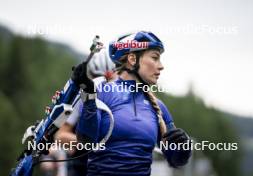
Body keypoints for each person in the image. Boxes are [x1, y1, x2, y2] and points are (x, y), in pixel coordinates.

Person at [72, 31, 191, 176]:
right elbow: (86, 142)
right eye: (155, 58)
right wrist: (89, 99)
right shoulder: (101, 92)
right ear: (133, 59)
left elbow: (176, 161)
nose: (161, 66)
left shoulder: (158, 107)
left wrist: (183, 147)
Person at [53, 49, 116, 176]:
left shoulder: (120, 97)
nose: (100, 83)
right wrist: (89, 142)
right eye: (95, 77)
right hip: (81, 167)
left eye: (107, 78)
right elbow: (60, 136)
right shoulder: (82, 99)